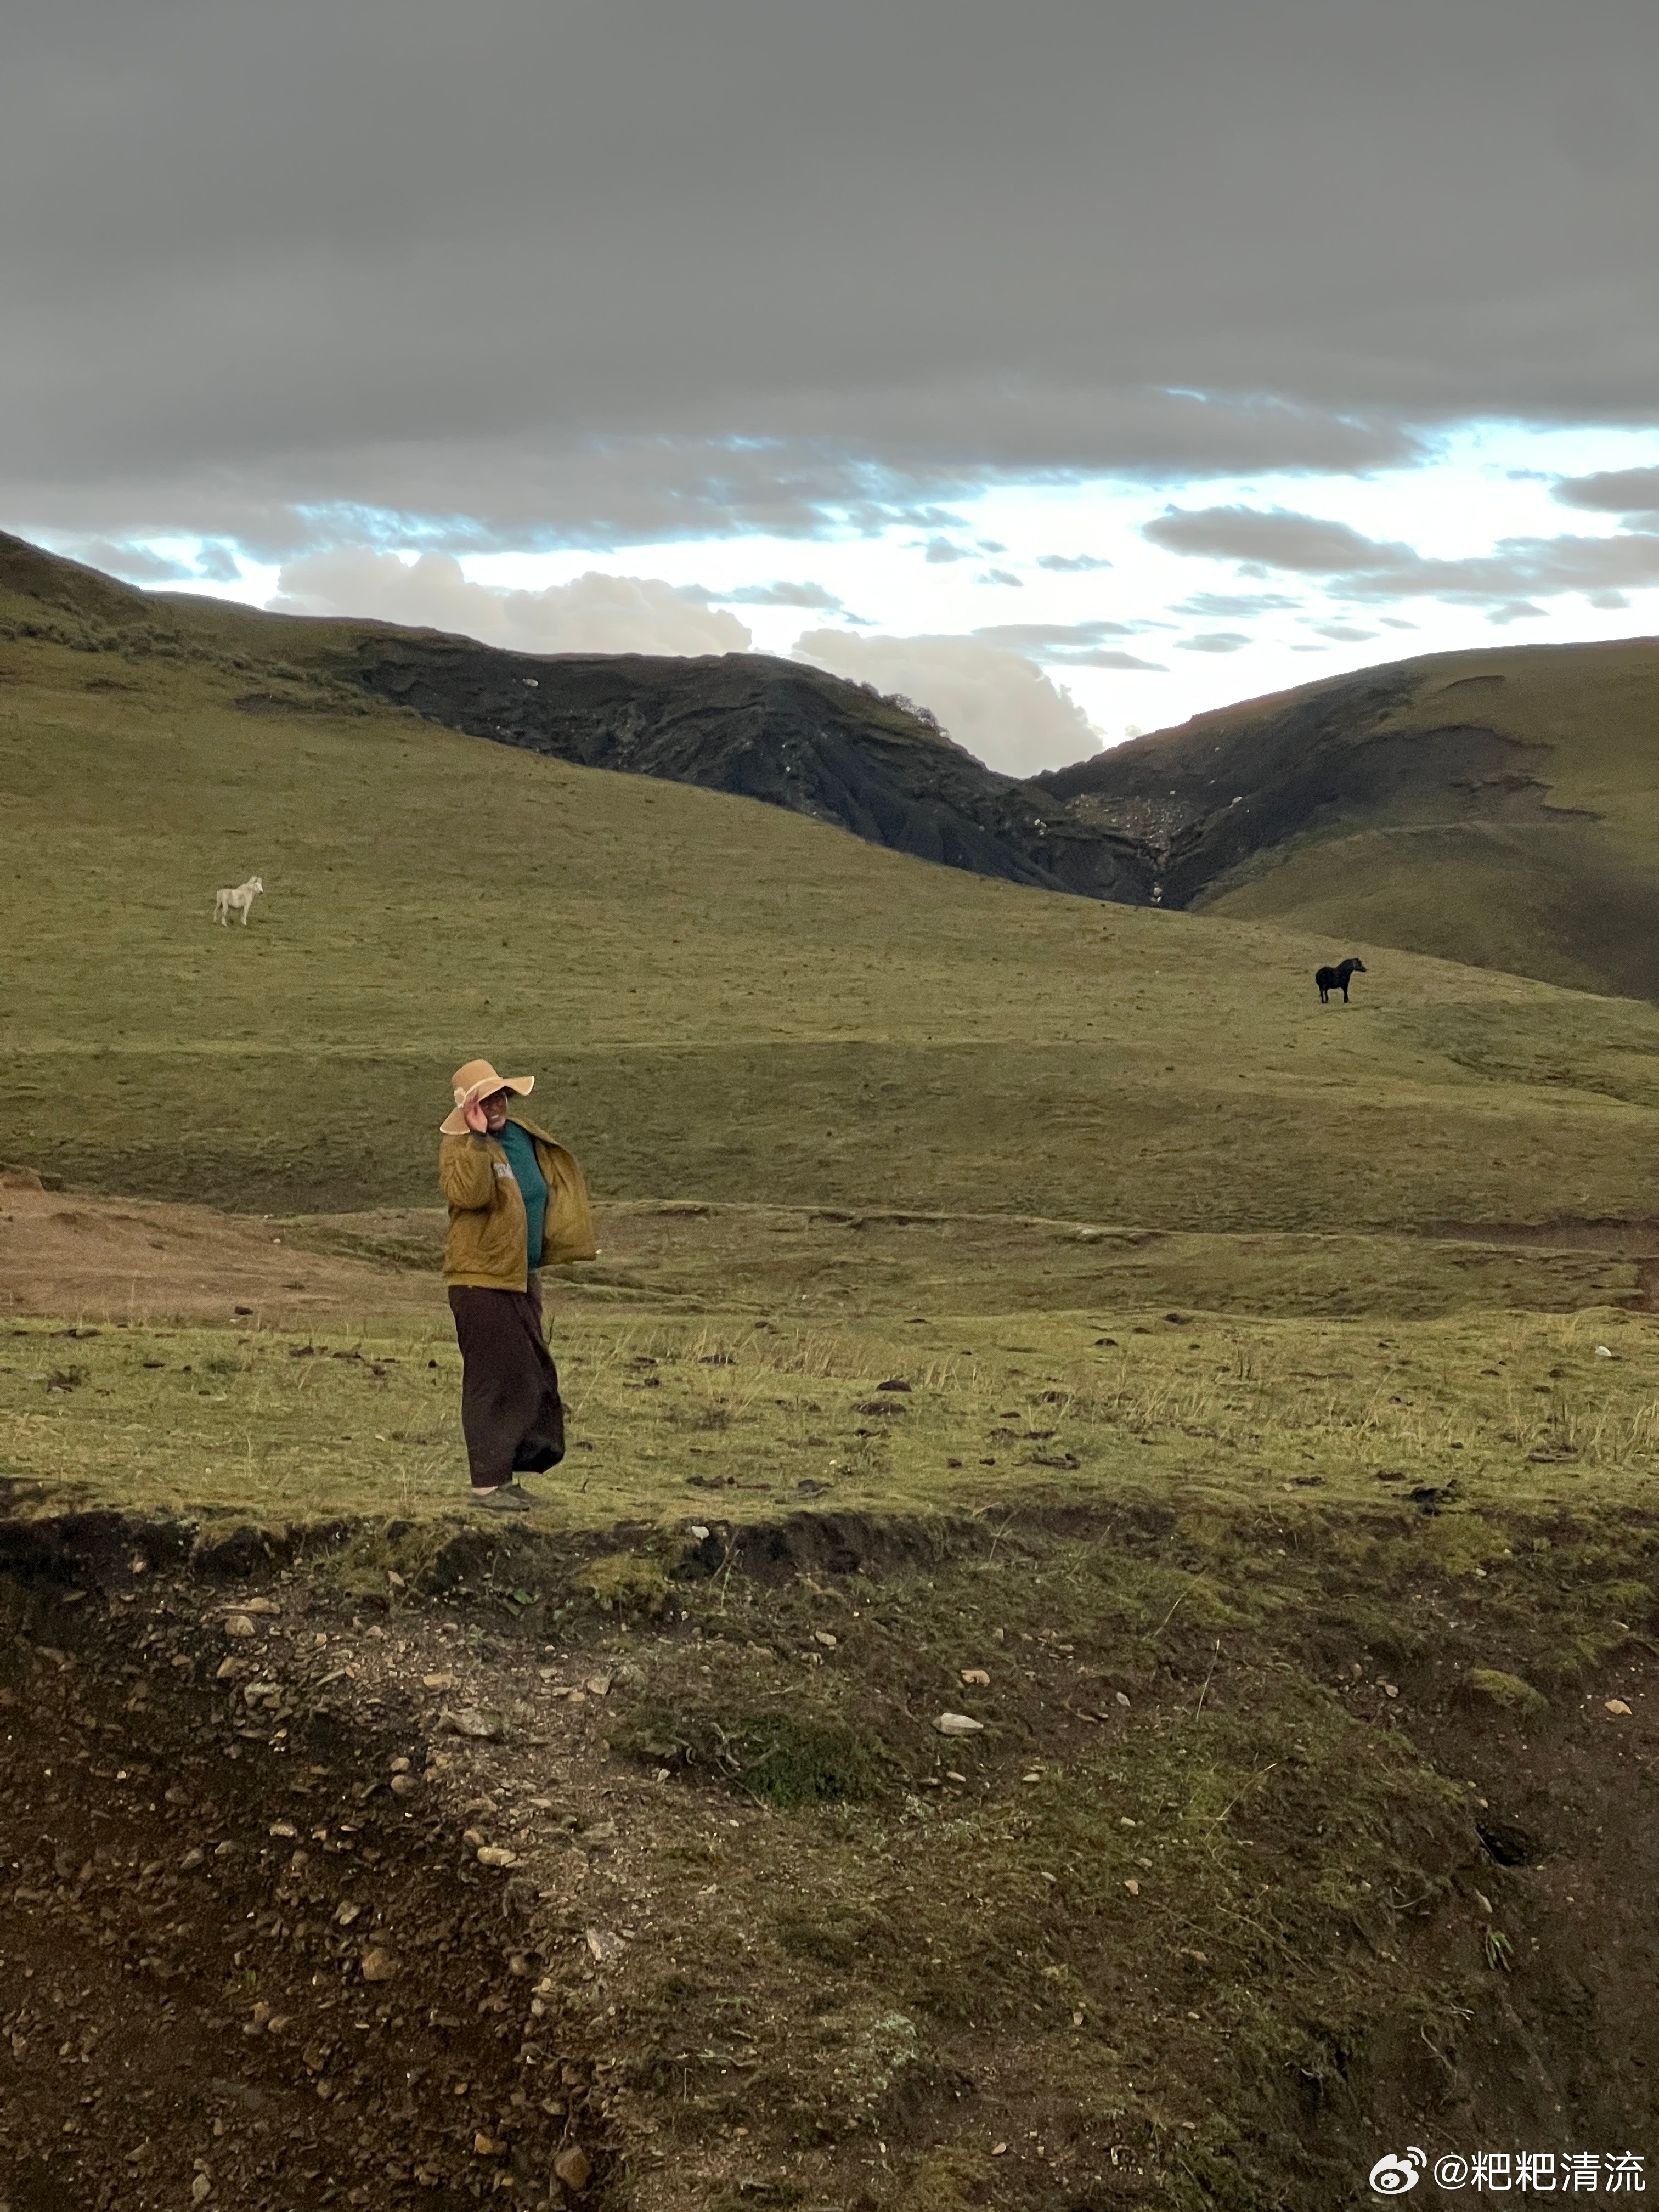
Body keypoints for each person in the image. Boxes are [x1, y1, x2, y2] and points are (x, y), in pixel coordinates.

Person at [438, 1058, 596, 1511]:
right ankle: (487, 1487)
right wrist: (474, 1137)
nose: (497, 1104)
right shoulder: (459, 1146)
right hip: (480, 1280)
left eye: (501, 1095)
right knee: (491, 1379)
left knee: (527, 1376)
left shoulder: (525, 1137)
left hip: (522, 1279)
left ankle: (507, 1478)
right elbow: (471, 1195)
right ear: (469, 1106)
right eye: (485, 1099)